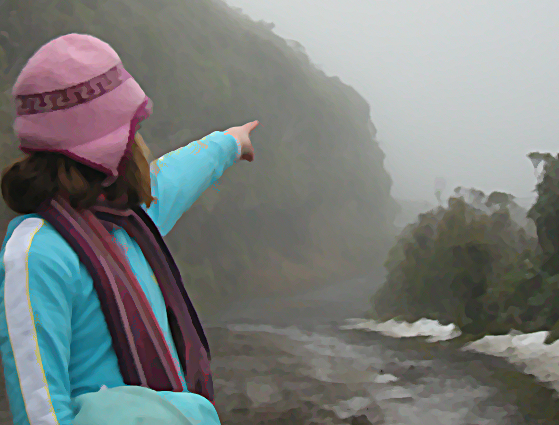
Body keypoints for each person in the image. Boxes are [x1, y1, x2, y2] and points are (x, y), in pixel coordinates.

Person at [0, 33, 259, 425]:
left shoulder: (125, 219)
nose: (138, 140)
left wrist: (230, 143)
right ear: (109, 148)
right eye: (131, 127)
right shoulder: (36, 252)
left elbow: (176, 176)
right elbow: (39, 408)